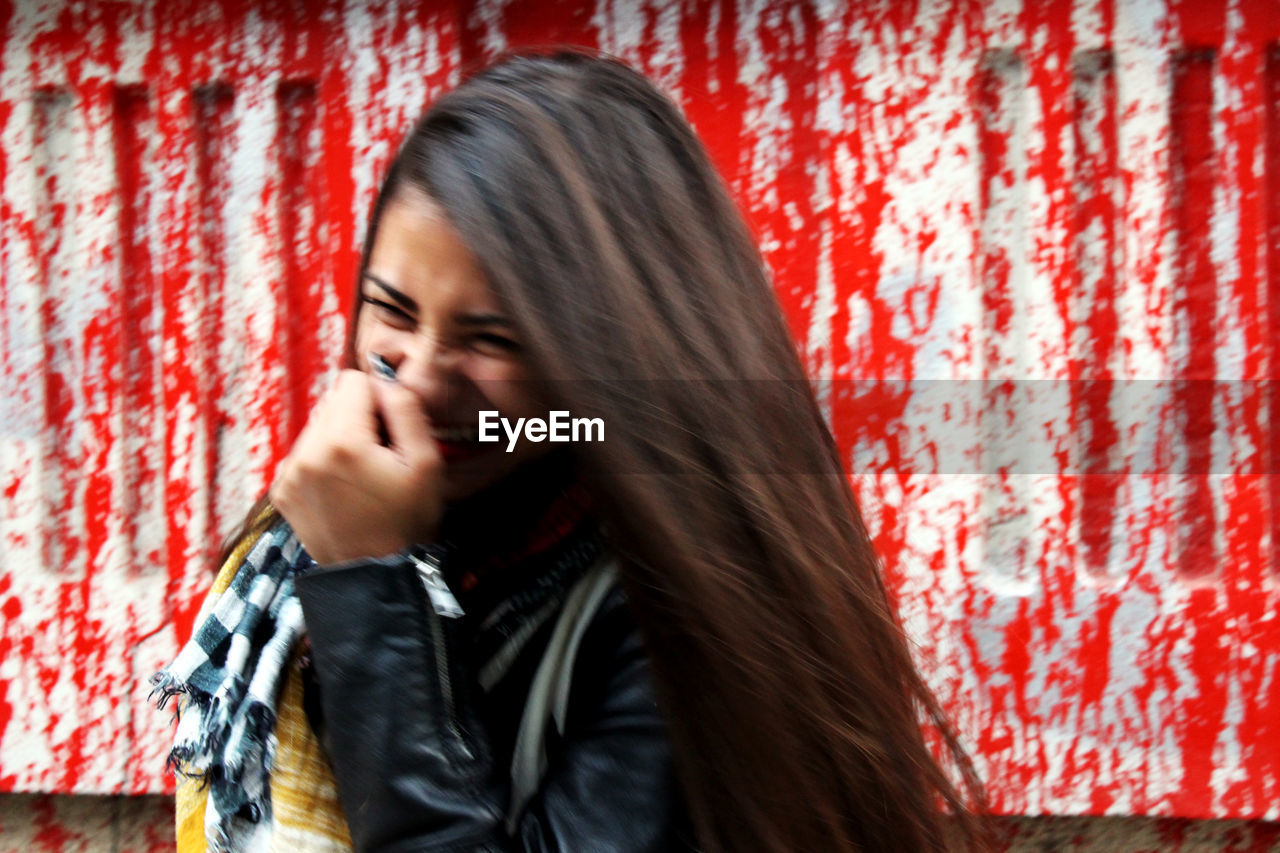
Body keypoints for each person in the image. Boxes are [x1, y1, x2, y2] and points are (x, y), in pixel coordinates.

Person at [154, 50, 986, 852]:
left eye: (493, 339)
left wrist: (374, 590)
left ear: (610, 357)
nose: (423, 383)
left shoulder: (683, 611)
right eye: (394, 313)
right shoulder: (323, 526)